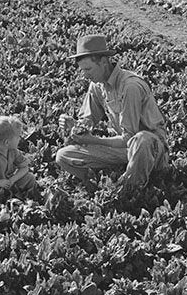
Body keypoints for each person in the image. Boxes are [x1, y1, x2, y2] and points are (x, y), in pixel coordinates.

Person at [55, 34, 168, 191]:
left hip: (150, 151)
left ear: (103, 62)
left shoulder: (130, 87)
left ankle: (129, 192)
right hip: (122, 149)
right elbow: (87, 121)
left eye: (88, 69)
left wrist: (94, 140)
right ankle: (99, 186)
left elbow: (129, 137)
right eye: (83, 70)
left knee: (142, 139)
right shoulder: (97, 85)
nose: (85, 75)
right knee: (63, 156)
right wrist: (74, 127)